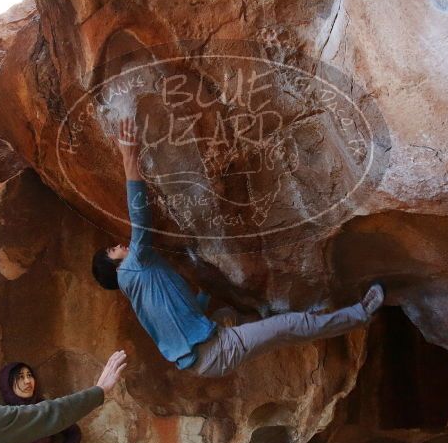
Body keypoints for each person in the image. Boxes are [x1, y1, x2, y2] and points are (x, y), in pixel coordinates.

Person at [91, 118, 385, 378]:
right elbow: (140, 217)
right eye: (112, 250)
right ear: (115, 266)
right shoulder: (133, 269)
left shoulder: (141, 287)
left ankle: (271, 316)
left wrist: (208, 294)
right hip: (216, 350)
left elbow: (182, 311)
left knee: (259, 318)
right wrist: (129, 156)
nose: (119, 245)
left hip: (206, 353)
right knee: (290, 327)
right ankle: (362, 314)